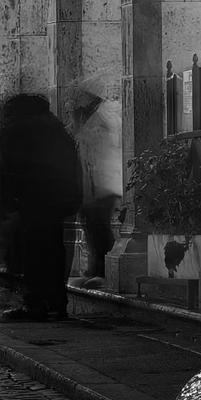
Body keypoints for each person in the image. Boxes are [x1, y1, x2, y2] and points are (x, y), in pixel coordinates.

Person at [0, 91, 83, 320]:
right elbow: (72, 166)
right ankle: (56, 301)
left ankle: (35, 302)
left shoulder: (18, 132)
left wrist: (7, 203)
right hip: (57, 202)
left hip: (33, 201)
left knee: (33, 252)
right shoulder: (58, 131)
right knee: (53, 250)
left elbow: (11, 170)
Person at [70, 82, 124, 284]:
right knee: (93, 227)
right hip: (94, 185)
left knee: (100, 228)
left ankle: (103, 271)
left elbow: (99, 149)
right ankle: (96, 268)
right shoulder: (93, 117)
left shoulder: (104, 116)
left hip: (104, 183)